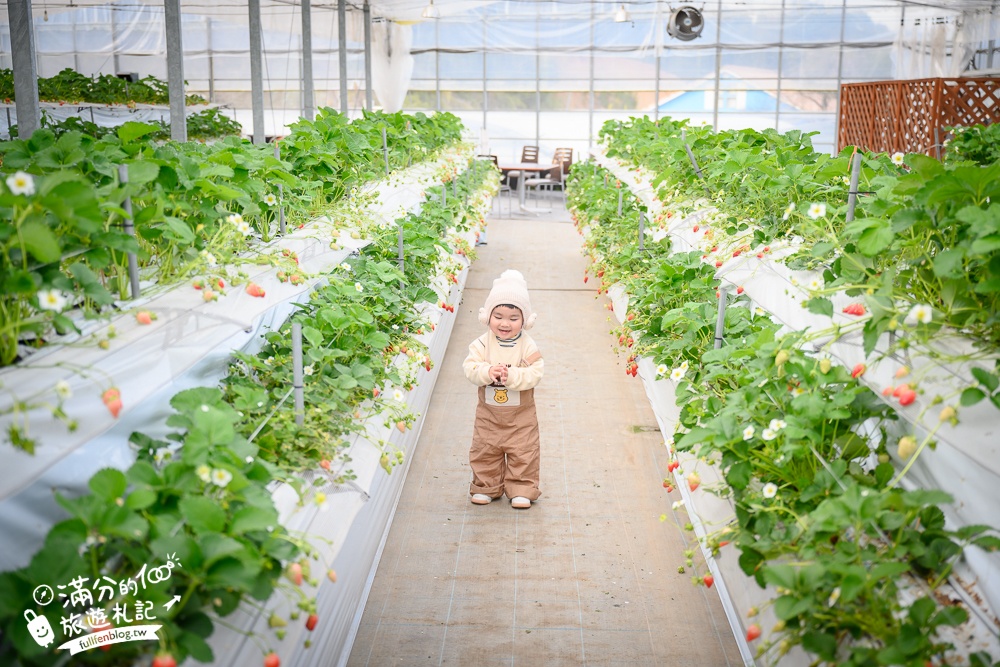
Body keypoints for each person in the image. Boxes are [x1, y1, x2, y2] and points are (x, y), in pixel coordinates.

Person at [462, 269, 544, 509]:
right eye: (498, 316)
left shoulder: (527, 346)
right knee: (485, 449)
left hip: (521, 417)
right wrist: (487, 372)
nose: (505, 323)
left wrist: (513, 375)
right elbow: (470, 367)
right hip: (489, 415)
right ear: (487, 317)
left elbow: (536, 371)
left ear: (525, 320)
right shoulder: (481, 344)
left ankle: (521, 488)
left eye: (513, 318)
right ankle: (486, 486)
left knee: (524, 451)